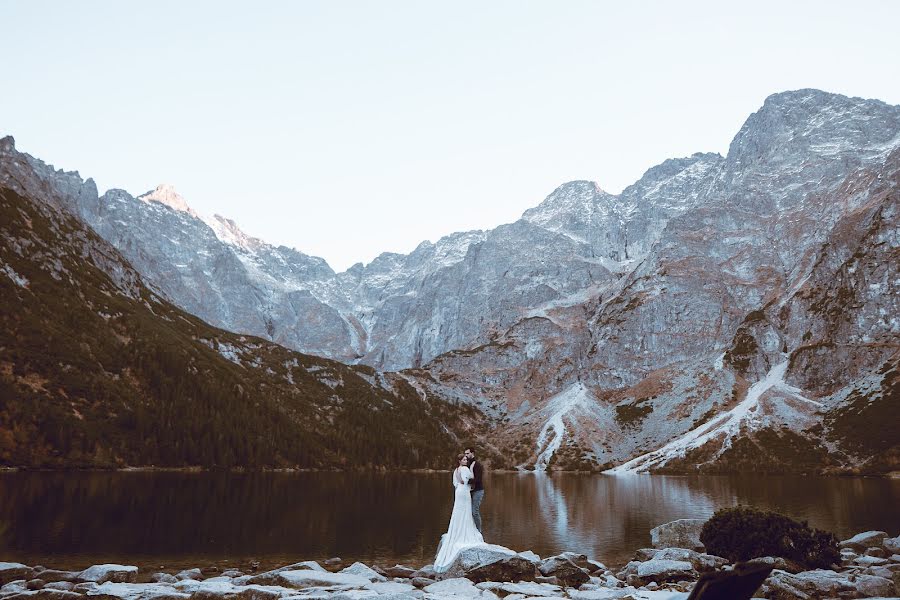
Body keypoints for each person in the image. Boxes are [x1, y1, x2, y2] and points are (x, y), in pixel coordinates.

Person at [434, 454, 484, 572]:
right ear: (460, 461)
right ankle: (464, 532)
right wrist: (471, 470)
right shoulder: (466, 469)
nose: (466, 460)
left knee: (458, 512)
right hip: (465, 492)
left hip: (458, 491)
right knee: (466, 512)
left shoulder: (456, 470)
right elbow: (470, 480)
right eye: (464, 459)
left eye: (466, 459)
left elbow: (455, 483)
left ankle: (456, 531)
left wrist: (461, 485)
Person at [464, 447, 484, 532]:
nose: (466, 455)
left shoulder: (477, 465)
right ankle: (471, 530)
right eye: (465, 454)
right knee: (468, 511)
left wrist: (467, 481)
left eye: (468, 453)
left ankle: (479, 531)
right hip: (470, 491)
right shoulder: (466, 464)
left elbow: (478, 479)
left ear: (472, 453)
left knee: (475, 511)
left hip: (478, 491)